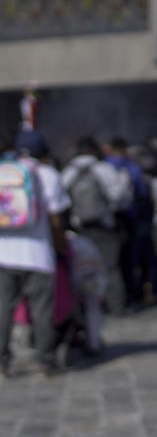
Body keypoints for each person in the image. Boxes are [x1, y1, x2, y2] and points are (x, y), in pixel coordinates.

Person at [0, 130, 70, 377]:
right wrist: (62, 245)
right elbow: (56, 217)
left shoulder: (3, 171)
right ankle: (46, 361)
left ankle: (2, 361)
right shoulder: (48, 175)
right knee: (42, 311)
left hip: (4, 255)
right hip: (38, 254)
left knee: (3, 310)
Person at [61, 136, 131, 314]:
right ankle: (116, 306)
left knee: (81, 269)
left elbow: (61, 200)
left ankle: (85, 308)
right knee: (110, 267)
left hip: (79, 227)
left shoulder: (69, 172)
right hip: (104, 225)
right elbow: (118, 197)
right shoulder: (104, 168)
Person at [103, 136, 153, 309]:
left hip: (106, 221)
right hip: (130, 219)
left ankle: (108, 299)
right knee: (130, 260)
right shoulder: (132, 167)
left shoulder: (103, 166)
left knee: (109, 261)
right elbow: (143, 192)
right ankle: (129, 296)